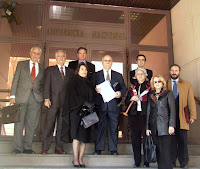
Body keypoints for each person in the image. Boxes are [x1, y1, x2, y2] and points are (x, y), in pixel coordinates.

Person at [10, 46, 45, 154]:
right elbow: (15, 80)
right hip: (21, 97)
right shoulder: (21, 64)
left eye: (38, 53)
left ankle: (27, 147)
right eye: (34, 53)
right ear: (30, 53)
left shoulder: (42, 68)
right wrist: (12, 96)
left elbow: (43, 84)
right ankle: (17, 147)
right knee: (19, 123)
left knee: (32, 124)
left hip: (35, 98)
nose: (36, 55)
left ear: (40, 55)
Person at [61, 63, 96, 168]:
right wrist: (84, 102)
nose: (84, 71)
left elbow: (93, 96)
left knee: (84, 137)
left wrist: (91, 104)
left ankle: (81, 159)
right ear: (78, 70)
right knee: (76, 136)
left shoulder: (89, 83)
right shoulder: (73, 81)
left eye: (85, 70)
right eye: (82, 69)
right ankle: (75, 159)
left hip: (87, 113)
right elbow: (72, 96)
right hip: (76, 112)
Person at [41, 50, 74, 154]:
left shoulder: (70, 71)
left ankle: (59, 148)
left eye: (63, 56)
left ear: (65, 58)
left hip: (65, 103)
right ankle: (45, 148)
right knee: (49, 125)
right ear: (56, 58)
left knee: (61, 126)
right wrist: (46, 98)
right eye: (59, 56)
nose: (61, 58)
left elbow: (72, 88)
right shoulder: (50, 70)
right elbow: (46, 85)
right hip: (52, 102)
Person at [93, 55, 127, 155]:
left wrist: (120, 93)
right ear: (102, 62)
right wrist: (95, 90)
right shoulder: (96, 75)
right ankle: (98, 149)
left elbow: (124, 88)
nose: (107, 62)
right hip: (101, 106)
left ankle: (113, 149)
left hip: (113, 106)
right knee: (100, 127)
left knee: (114, 128)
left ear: (112, 62)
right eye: (105, 60)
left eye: (109, 60)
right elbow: (90, 88)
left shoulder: (118, 75)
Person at [167, 64, 197, 168]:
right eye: (172, 70)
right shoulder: (165, 84)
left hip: (182, 116)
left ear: (179, 72)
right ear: (169, 72)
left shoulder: (187, 84)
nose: (174, 72)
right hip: (169, 117)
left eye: (176, 70)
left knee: (183, 140)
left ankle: (184, 162)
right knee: (171, 141)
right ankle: (171, 161)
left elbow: (191, 101)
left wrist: (193, 115)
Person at [146, 75, 176, 169]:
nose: (157, 83)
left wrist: (171, 125)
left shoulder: (168, 93)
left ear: (162, 83)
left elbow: (172, 110)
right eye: (155, 82)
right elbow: (148, 112)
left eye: (159, 81)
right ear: (153, 84)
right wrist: (147, 127)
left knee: (165, 152)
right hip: (154, 127)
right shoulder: (151, 95)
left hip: (165, 126)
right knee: (158, 151)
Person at [125, 67, 150, 168]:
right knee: (135, 140)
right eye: (138, 74)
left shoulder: (149, 88)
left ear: (145, 76)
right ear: (135, 77)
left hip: (145, 116)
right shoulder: (132, 88)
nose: (140, 76)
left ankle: (146, 161)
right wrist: (131, 98)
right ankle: (137, 161)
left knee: (146, 139)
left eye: (142, 74)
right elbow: (126, 102)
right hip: (134, 116)